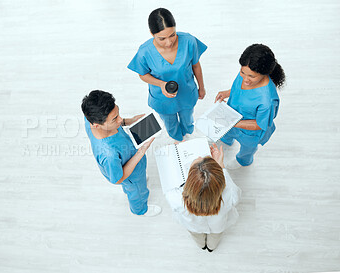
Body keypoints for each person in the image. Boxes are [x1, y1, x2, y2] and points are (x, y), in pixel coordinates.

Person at [128, 8, 207, 142]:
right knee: (171, 125)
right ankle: (177, 140)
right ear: (151, 34)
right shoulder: (144, 51)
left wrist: (202, 87)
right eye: (162, 38)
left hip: (187, 92)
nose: (169, 42)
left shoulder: (189, 41)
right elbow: (143, 75)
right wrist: (161, 84)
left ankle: (188, 135)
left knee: (188, 120)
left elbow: (196, 65)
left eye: (172, 35)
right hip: (162, 99)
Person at [81, 90, 161, 216]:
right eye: (114, 119)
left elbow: (119, 121)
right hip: (130, 176)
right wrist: (141, 152)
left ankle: (133, 186)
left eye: (118, 114)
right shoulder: (108, 154)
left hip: (128, 159)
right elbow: (118, 179)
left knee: (136, 184)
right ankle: (140, 210)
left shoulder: (90, 118)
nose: (119, 120)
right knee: (138, 192)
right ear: (97, 125)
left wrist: (128, 121)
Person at [215, 44, 286, 168]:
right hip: (231, 119)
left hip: (249, 133)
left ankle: (243, 161)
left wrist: (233, 122)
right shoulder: (246, 72)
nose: (245, 79)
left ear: (264, 73)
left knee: (247, 150)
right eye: (242, 72)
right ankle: (227, 141)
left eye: (251, 76)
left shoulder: (267, 100)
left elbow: (260, 124)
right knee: (226, 135)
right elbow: (239, 89)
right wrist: (226, 93)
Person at [164, 144, 241, 251]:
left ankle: (201, 246)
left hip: (193, 226)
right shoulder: (230, 191)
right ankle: (211, 247)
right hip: (218, 226)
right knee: (215, 237)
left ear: (190, 181)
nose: (199, 157)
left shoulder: (175, 197)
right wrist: (220, 164)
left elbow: (169, 180)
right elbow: (233, 192)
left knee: (197, 237)